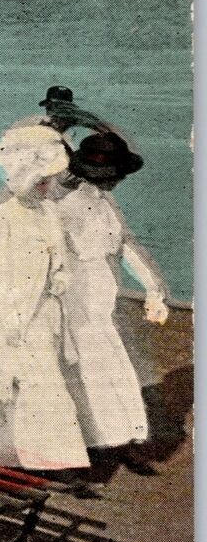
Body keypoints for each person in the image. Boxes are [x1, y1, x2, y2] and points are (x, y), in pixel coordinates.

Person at [0, 125, 88, 473]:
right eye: (39, 181)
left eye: (46, 181)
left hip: (44, 312)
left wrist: (60, 281)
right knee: (13, 385)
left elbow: (61, 260)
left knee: (46, 385)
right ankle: (16, 455)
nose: (46, 187)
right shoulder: (5, 216)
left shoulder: (51, 214)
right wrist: (5, 316)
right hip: (11, 312)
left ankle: (52, 459)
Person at [52, 132, 169, 472]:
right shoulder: (65, 209)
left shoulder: (105, 205)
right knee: (82, 379)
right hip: (74, 305)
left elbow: (125, 246)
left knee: (113, 376)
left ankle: (117, 443)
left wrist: (152, 289)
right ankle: (80, 454)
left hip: (99, 307)